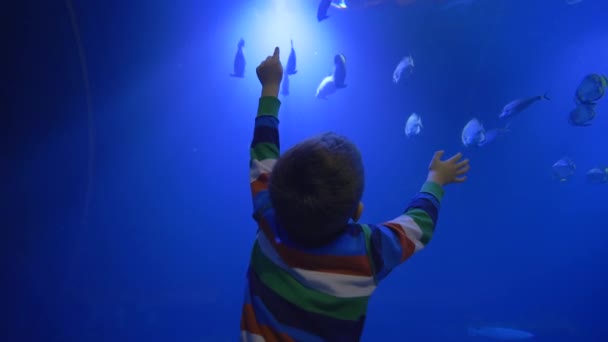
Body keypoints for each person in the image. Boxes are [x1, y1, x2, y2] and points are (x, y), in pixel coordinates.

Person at [240, 46, 470, 342]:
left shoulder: (270, 219)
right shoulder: (367, 252)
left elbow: (263, 150)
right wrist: (436, 180)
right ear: (358, 211)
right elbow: (419, 226)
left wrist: (270, 86)